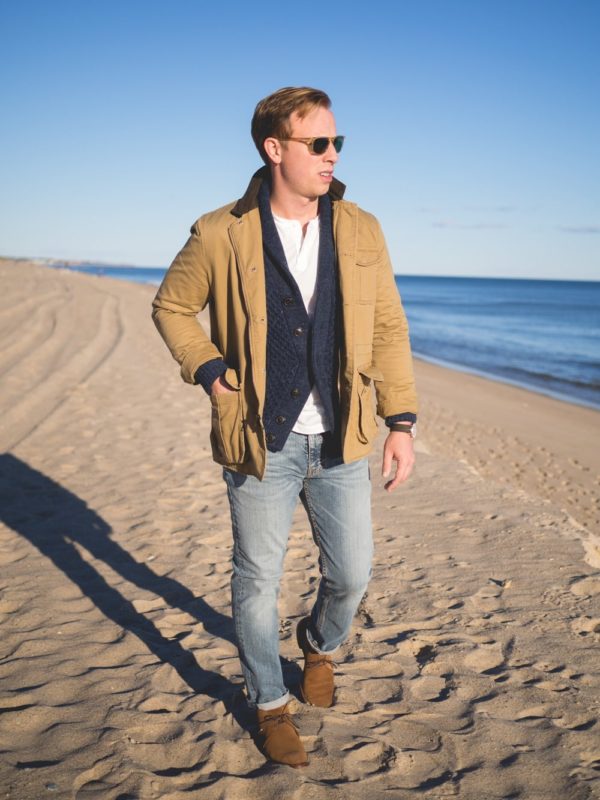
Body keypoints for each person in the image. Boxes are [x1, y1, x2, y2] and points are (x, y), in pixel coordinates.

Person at [152, 86, 418, 768]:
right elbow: (172, 307)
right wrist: (209, 370)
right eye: (318, 144)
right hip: (259, 442)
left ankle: (321, 647)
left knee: (353, 572)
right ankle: (270, 704)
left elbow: (387, 326)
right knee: (255, 581)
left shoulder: (362, 228)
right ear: (276, 149)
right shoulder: (221, 231)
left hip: (342, 436)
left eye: (338, 143)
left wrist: (402, 421)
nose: (332, 156)